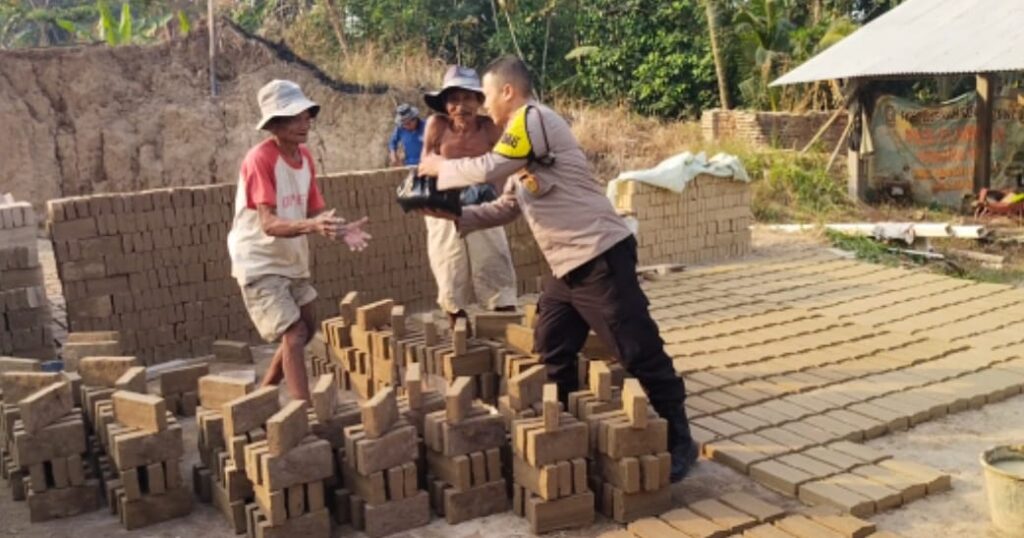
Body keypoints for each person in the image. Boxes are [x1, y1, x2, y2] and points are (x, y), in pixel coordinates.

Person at [418, 56, 698, 481]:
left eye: (487, 95)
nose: (484, 105)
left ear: (508, 91)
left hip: (599, 255)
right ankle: (563, 431)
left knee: (636, 348)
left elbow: (488, 169)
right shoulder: (518, 147)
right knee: (552, 347)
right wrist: (456, 217)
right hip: (565, 268)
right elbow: (506, 206)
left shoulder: (533, 119)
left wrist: (441, 167)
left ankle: (681, 440)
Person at [228, 79, 371, 401]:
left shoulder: (305, 157)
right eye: (294, 118)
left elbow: (316, 210)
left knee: (306, 327)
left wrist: (341, 229)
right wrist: (313, 225)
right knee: (294, 333)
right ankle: (302, 410)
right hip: (259, 260)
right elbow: (268, 223)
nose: (304, 123)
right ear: (274, 125)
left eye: (306, 116)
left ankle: (263, 393)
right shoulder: (260, 159)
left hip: (291, 258)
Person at [421, 65, 518, 327]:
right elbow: (425, 163)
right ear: (445, 103)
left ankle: (503, 323)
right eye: (453, 99)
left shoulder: (489, 128)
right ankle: (458, 325)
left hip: (483, 203)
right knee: (449, 264)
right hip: (444, 206)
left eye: (467, 98)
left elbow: (505, 164)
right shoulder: (437, 125)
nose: (460, 107)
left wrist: (496, 197)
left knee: (494, 261)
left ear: (478, 100)